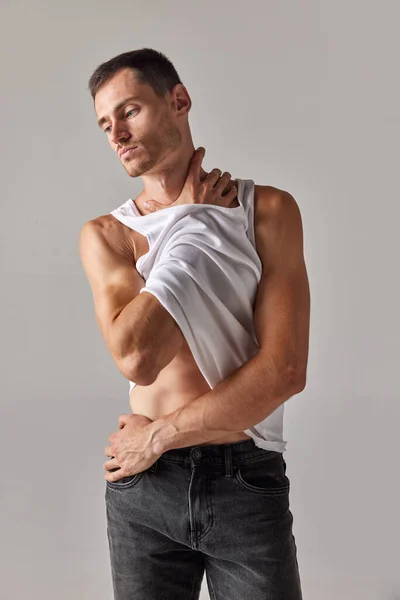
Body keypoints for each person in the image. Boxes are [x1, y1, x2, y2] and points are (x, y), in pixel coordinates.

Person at [80, 47, 310, 600]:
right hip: (144, 492)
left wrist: (156, 437)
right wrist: (196, 223)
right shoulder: (107, 236)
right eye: (105, 124)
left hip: (244, 480)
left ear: (178, 100)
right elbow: (139, 356)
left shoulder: (269, 212)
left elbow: (283, 372)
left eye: (129, 111)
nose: (117, 134)